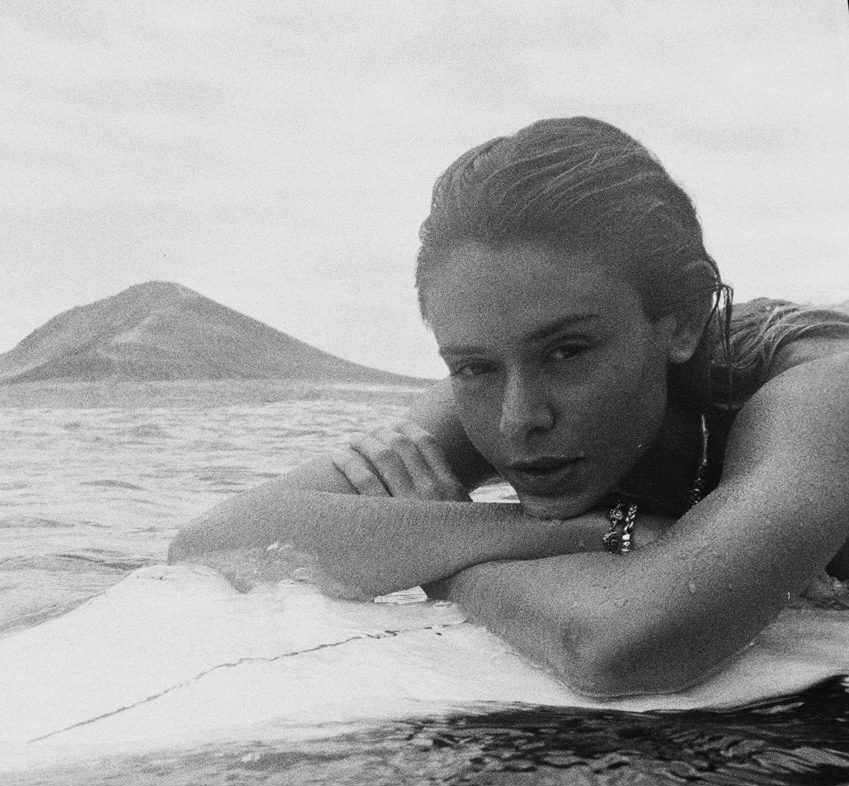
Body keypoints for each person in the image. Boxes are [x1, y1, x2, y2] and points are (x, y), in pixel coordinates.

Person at [168, 118, 849, 695]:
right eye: (472, 366)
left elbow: (621, 648)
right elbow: (215, 542)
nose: (516, 418)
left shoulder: (817, 385)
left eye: (568, 351)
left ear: (680, 322)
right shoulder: (502, 389)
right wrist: (588, 532)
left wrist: (438, 561)